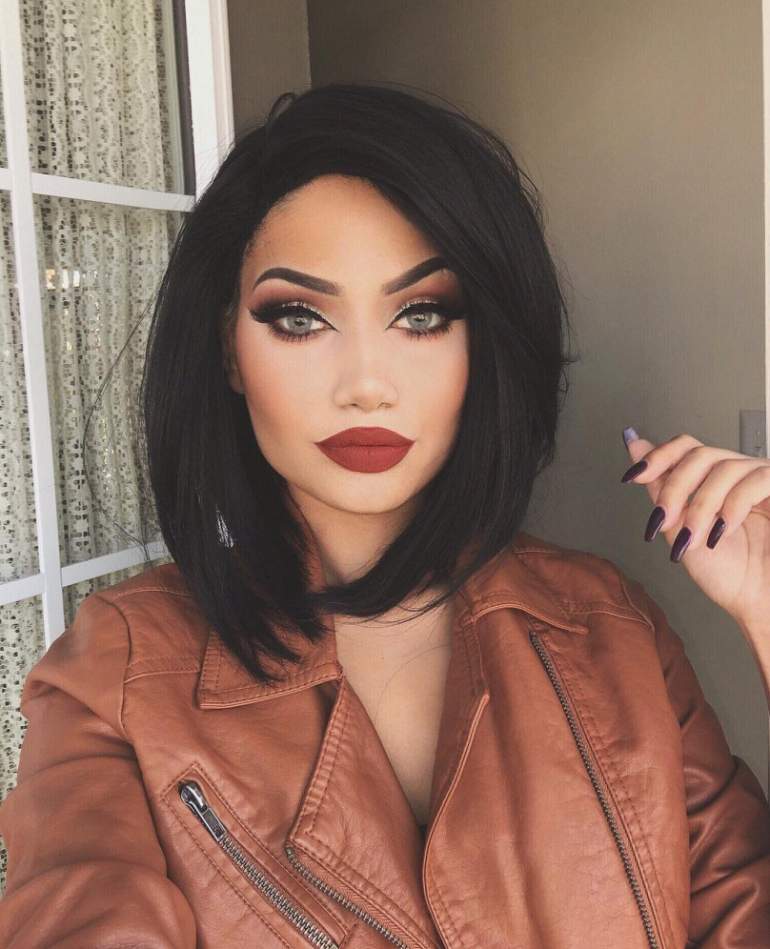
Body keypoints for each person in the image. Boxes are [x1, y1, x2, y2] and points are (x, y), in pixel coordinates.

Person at [1, 80, 769, 947]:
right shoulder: (115, 676)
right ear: (228, 349)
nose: (367, 383)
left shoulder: (614, 629)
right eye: (300, 318)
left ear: (482, 344)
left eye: (422, 314)